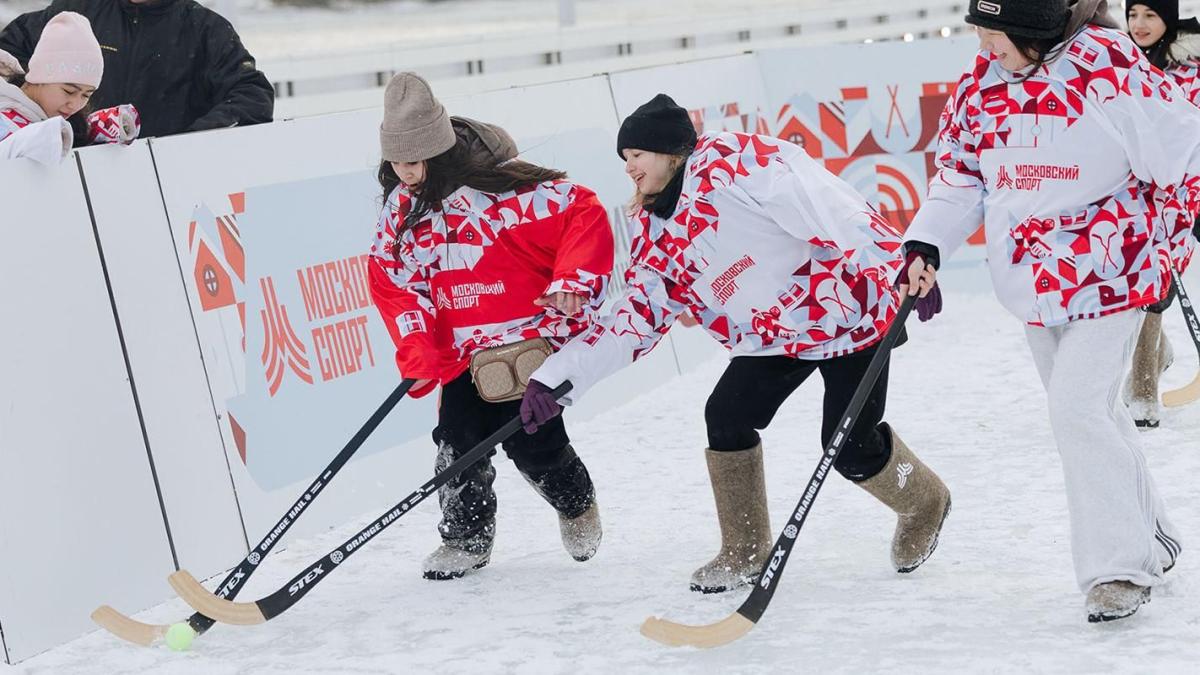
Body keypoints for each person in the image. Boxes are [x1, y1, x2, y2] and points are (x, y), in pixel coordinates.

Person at [522, 93, 951, 594]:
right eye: (624, 159)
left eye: (636, 154)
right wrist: (558, 379)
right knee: (726, 415)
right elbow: (635, 318)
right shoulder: (653, 231)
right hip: (773, 336)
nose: (629, 168)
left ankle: (924, 502)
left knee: (850, 448)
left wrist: (900, 261)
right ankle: (746, 550)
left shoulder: (737, 165)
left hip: (846, 311)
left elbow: (831, 207)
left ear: (670, 151)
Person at [900, 0, 1194, 622]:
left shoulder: (1103, 61)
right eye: (979, 33)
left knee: (1077, 410)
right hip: (1030, 277)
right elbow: (959, 171)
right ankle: (1153, 536)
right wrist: (927, 242)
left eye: (994, 34)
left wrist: (1178, 220)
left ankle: (1119, 567)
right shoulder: (982, 79)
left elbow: (1177, 147)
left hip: (1108, 266)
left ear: (1030, 29)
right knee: (1094, 415)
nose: (985, 47)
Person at [367, 73, 613, 580]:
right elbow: (391, 278)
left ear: (438, 151)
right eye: (395, 162)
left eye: (414, 161)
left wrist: (572, 280)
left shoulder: (503, 190)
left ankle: (576, 502)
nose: (404, 172)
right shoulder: (402, 209)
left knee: (534, 447)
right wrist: (417, 344)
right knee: (455, 443)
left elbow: (581, 211)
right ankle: (466, 539)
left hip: (525, 342)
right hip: (463, 352)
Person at [0, 0, 272, 138]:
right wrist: (35, 112)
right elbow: (11, 54)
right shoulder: (80, 10)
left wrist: (194, 140)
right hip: (75, 169)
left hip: (163, 180)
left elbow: (251, 94)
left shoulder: (205, 29)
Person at [1124, 0, 1200, 426]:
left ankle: (1143, 393)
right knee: (1127, 287)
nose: (1139, 24)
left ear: (1168, 19)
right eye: (1133, 14)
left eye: (1150, 15)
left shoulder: (1189, 72)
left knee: (1154, 289)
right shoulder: (1119, 65)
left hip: (1179, 200)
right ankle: (1159, 351)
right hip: (1128, 197)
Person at [1, 12, 138, 164]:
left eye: (86, 95)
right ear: (39, 78)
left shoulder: (68, 124)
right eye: (69, 91)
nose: (75, 105)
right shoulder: (5, 119)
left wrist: (93, 137)